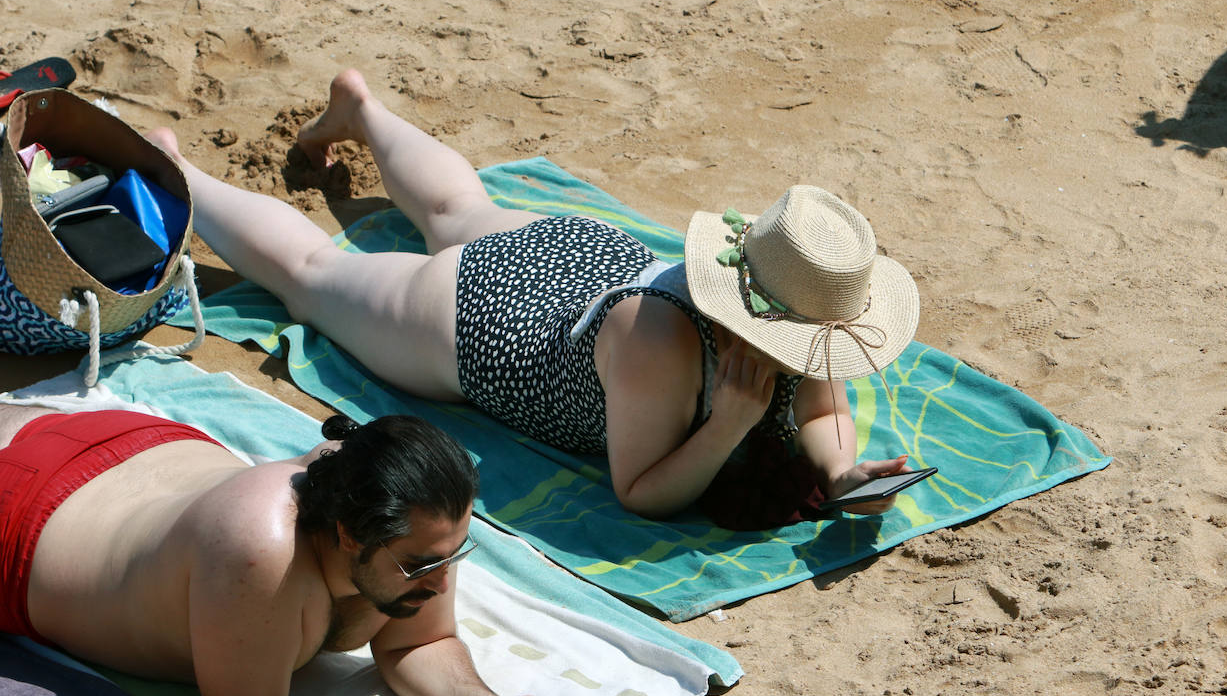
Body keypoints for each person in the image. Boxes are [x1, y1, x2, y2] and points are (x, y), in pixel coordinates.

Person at [147, 69, 922, 522]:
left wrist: (843, 473)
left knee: (458, 210)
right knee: (311, 278)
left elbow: (824, 409)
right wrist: (728, 428)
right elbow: (641, 490)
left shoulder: (803, 300)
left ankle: (365, 110)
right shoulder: (665, 344)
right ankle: (175, 174)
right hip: (483, 316)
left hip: (584, 256)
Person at [0, 403, 556, 696]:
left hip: (141, 446)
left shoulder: (410, 513)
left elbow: (420, 640)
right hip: (21, 518)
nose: (439, 583)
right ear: (346, 536)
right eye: (420, 566)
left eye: (453, 555)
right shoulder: (260, 551)